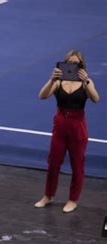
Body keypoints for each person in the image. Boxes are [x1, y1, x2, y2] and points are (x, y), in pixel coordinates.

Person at [34, 50, 100, 213]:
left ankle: (72, 200)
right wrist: (51, 79)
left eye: (75, 64)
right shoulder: (58, 82)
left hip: (77, 128)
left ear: (81, 66)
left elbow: (96, 99)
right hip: (60, 127)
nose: (72, 66)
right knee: (53, 163)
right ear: (64, 65)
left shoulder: (87, 82)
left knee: (77, 165)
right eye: (69, 63)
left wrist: (86, 83)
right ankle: (48, 196)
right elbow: (42, 96)